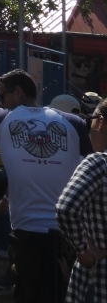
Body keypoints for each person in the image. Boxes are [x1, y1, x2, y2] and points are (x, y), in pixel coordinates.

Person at [0, 68, 89, 303]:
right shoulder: (74, 122)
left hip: (27, 235)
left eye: (1, 96)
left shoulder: (1, 117)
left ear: (18, 93)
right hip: (67, 234)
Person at [57, 97, 107, 303]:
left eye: (90, 122)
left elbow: (66, 208)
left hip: (97, 282)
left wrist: (84, 252)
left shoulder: (99, 163)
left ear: (101, 122)